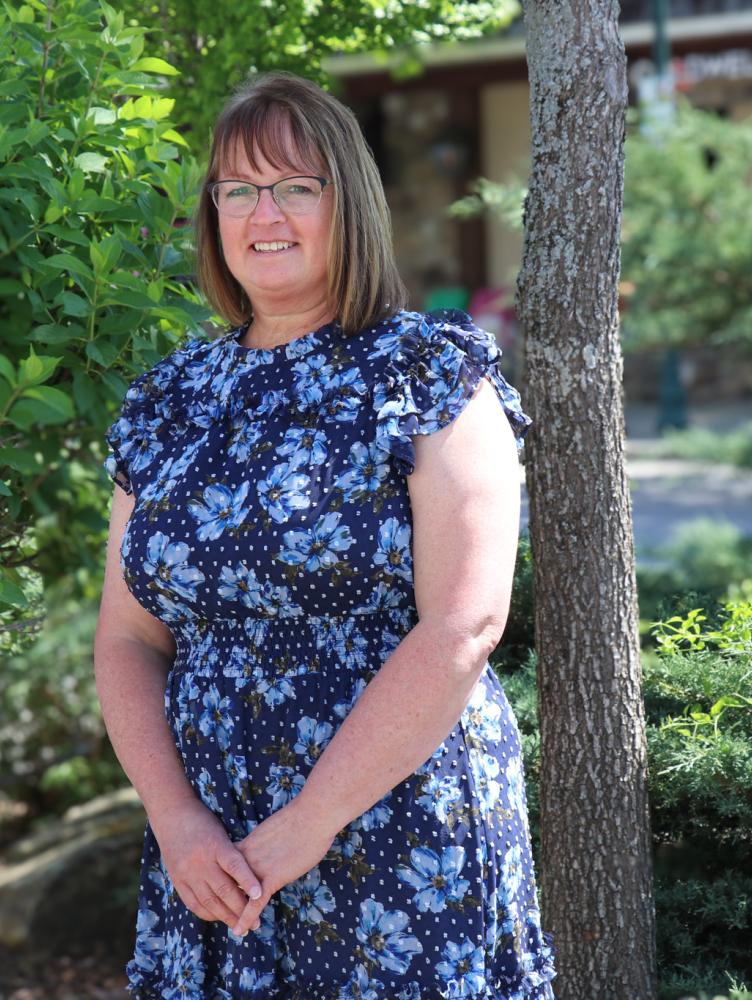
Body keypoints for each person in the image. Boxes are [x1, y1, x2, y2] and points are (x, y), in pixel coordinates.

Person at [95, 70, 556, 1000]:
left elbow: (465, 624)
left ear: (349, 203)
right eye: (238, 189)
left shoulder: (428, 372)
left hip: (396, 827)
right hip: (213, 851)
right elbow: (127, 635)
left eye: (296, 186)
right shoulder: (169, 399)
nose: (264, 212)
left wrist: (310, 821)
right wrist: (177, 818)